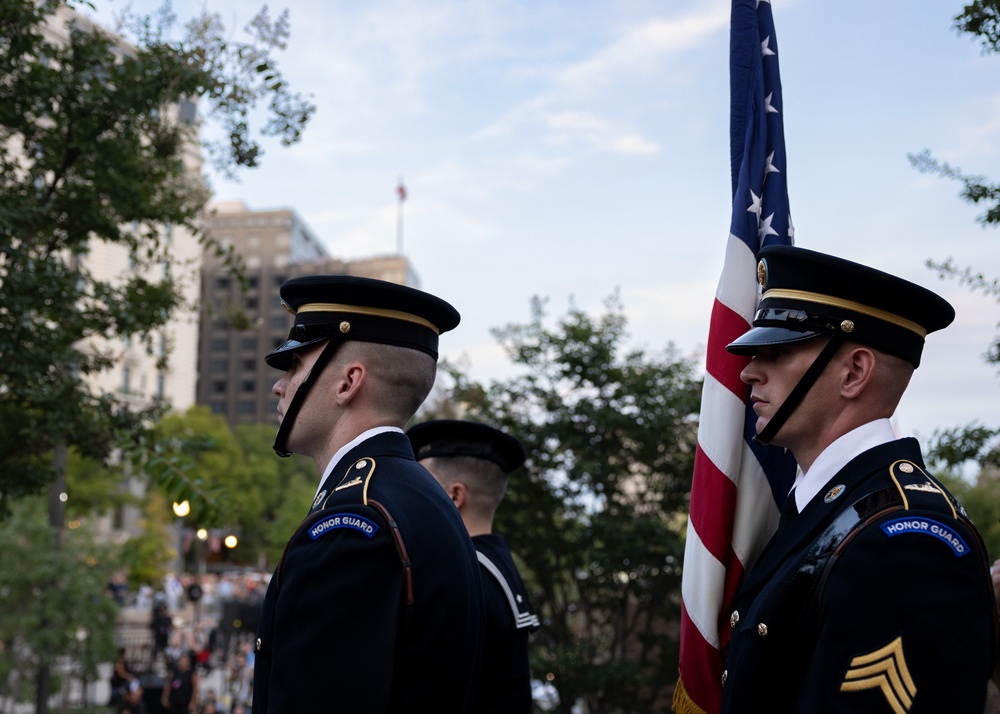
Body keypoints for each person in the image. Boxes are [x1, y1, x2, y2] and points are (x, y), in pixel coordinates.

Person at [719, 245, 997, 712]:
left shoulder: (906, 543)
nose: (748, 372)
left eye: (776, 351)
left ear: (854, 372)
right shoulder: (825, 512)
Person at [251, 275, 484, 713]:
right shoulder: (418, 496)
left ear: (347, 382)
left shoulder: (353, 525)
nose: (279, 386)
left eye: (295, 366)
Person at [407, 419, 541, 714]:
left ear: (454, 496)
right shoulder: (494, 565)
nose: (412, 498)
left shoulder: (460, 574)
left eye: (421, 486)